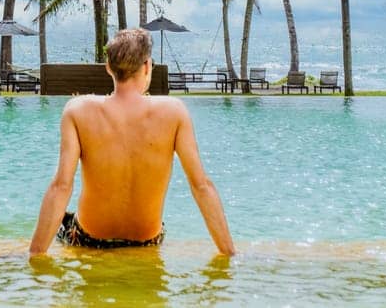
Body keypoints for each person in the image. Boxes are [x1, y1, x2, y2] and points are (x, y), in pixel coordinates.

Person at [28, 28, 236, 255]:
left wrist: (34, 255)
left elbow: (61, 187)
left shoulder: (78, 110)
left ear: (109, 67)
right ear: (147, 66)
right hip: (146, 240)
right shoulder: (174, 112)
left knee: (66, 223)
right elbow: (201, 186)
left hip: (89, 238)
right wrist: (230, 254)